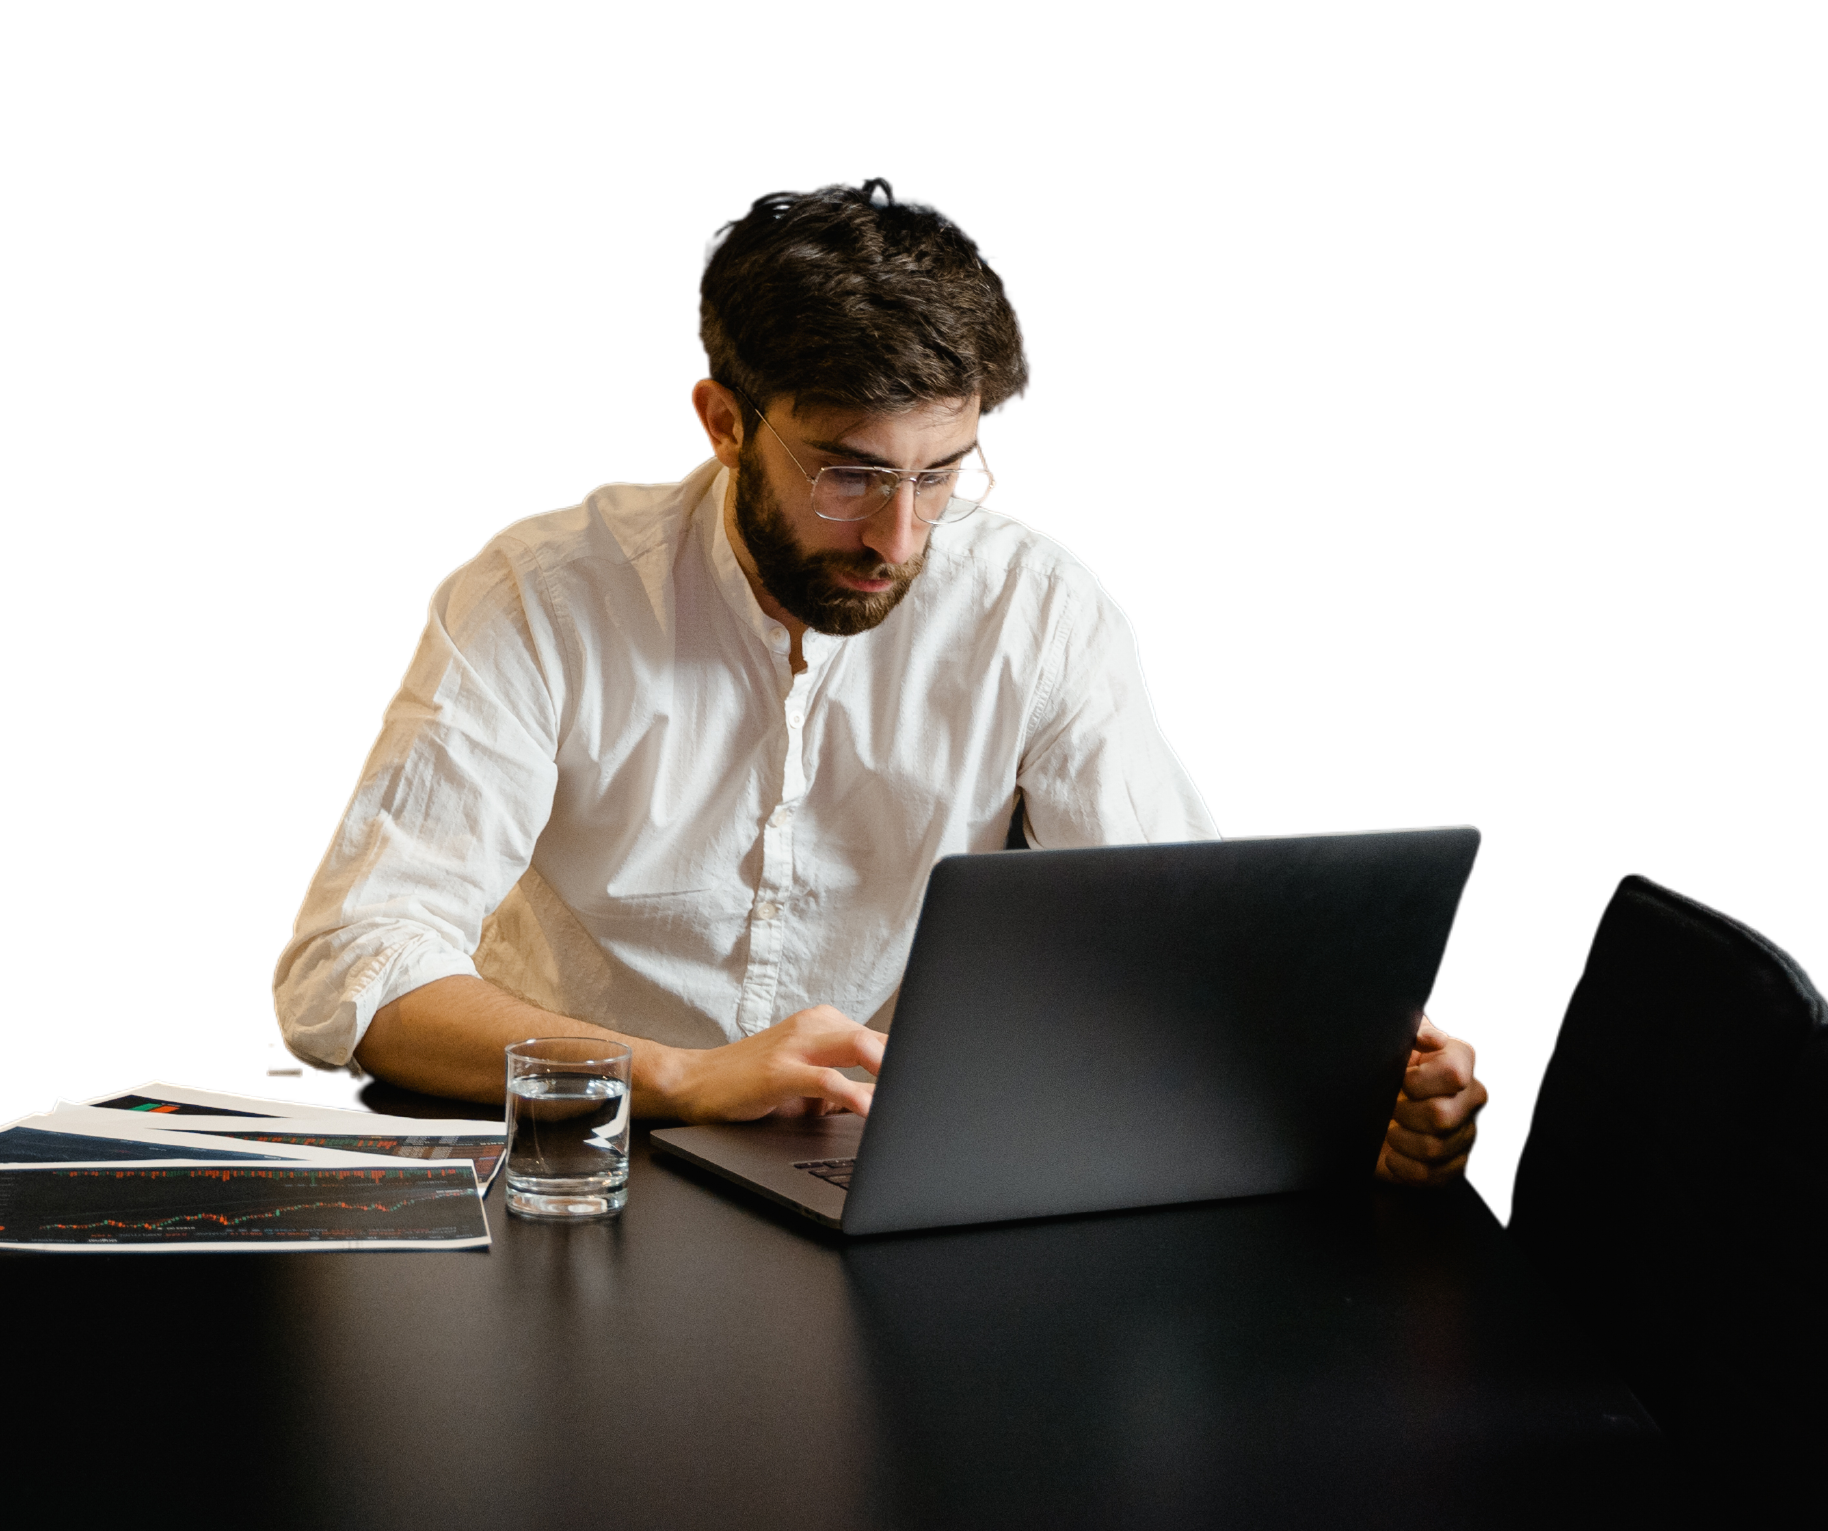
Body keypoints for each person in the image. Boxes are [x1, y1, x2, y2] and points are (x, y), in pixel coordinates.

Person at [269, 184, 1486, 1185]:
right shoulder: (536, 595)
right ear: (722, 419)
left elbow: (1179, 939)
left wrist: (1346, 1065)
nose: (898, 538)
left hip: (871, 1171)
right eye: (847, 474)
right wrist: (681, 1073)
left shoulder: (1035, 608)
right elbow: (352, 966)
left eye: (942, 474)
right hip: (566, 1163)